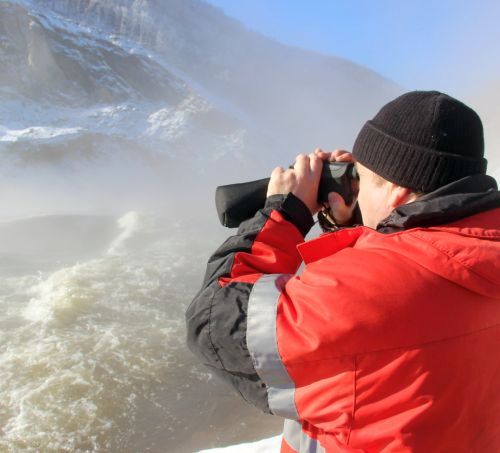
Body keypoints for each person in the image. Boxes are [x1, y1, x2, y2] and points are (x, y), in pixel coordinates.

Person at [185, 91, 500, 452]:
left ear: (397, 192)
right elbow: (379, 327)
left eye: (360, 179)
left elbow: (213, 324)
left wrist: (284, 214)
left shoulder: (367, 293)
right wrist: (351, 227)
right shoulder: (480, 258)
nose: (356, 190)